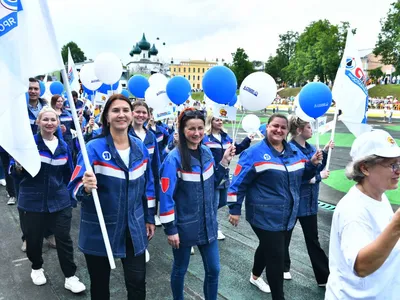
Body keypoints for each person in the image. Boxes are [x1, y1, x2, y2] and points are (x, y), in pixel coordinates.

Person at [68, 94, 156, 300]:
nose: (121, 115)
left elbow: (147, 186)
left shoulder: (140, 148)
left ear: (132, 115)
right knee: (100, 287)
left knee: (137, 283)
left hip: (133, 228)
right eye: (115, 111)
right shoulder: (93, 148)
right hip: (100, 229)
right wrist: (86, 188)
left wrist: (149, 217)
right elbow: (74, 188)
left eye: (126, 110)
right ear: (106, 117)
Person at [227, 114, 322, 300]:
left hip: (288, 215)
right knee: (276, 258)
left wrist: (312, 165)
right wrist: (234, 209)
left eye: (283, 127)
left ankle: (255, 276)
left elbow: (303, 176)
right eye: (274, 126)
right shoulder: (253, 153)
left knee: (269, 248)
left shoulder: (294, 152)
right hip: (264, 216)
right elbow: (238, 183)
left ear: (287, 131)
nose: (279, 130)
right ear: (267, 127)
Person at [159, 108, 235, 300]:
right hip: (184, 227)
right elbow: (166, 196)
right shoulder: (173, 159)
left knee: (214, 270)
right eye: (191, 128)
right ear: (183, 130)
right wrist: (171, 229)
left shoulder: (207, 152)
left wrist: (224, 162)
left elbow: (213, 183)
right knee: (180, 270)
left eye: (200, 128)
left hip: (208, 224)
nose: (196, 133)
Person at [10, 107, 85, 293]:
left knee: (64, 239)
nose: (50, 123)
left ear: (58, 123)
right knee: (33, 239)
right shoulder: (28, 145)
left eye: (53, 120)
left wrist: (70, 196)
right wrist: (18, 168)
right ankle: (36, 267)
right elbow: (13, 171)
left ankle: (70, 276)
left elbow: (69, 173)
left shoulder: (63, 146)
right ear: (38, 122)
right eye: (45, 120)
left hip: (59, 202)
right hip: (31, 202)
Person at [325, 129, 400, 299]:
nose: (398, 171)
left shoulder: (378, 196)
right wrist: (397, 225)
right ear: (365, 168)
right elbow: (362, 266)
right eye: (392, 165)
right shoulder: (353, 209)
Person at [285, 116, 333, 286]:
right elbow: (296, 176)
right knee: (284, 237)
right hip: (294, 202)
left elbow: (317, 167)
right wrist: (318, 177)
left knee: (313, 240)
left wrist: (325, 152)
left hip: (310, 204)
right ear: (299, 130)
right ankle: (282, 268)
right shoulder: (289, 149)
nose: (311, 130)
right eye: (308, 127)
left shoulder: (311, 147)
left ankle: (324, 277)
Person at [203, 114, 254, 240]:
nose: (220, 121)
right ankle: (214, 228)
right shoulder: (205, 138)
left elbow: (236, 150)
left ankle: (205, 218)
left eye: (221, 119)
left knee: (223, 201)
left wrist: (247, 139)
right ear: (210, 121)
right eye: (217, 119)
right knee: (213, 203)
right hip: (212, 175)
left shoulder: (226, 137)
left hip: (225, 175)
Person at [129, 101, 161, 259]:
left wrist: (158, 186)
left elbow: (156, 164)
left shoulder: (151, 136)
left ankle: (142, 245)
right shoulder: (125, 134)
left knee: (146, 216)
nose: (141, 115)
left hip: (148, 185)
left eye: (144, 112)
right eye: (137, 112)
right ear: (131, 113)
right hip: (130, 184)